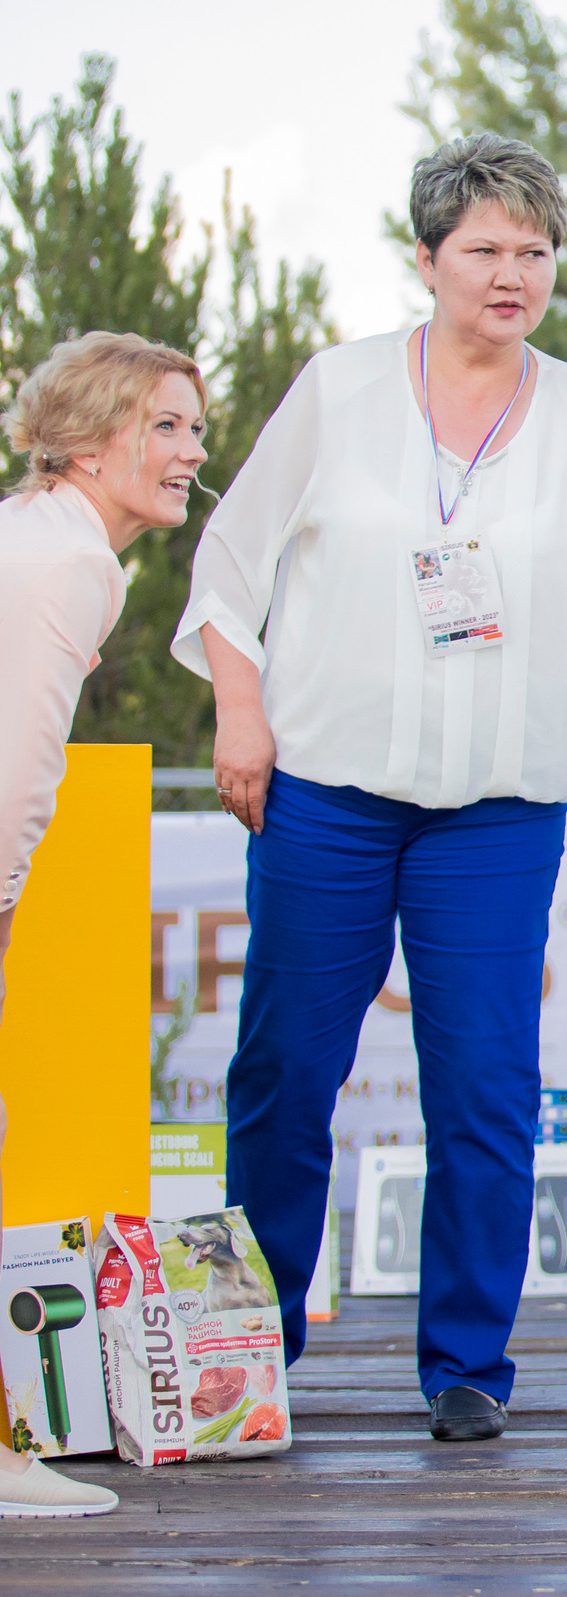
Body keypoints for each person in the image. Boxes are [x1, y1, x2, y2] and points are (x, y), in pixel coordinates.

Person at [173, 134, 567, 1443]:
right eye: (485, 249)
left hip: (500, 814)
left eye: (535, 252)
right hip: (325, 795)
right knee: (286, 1073)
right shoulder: (339, 388)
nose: (513, 275)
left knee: (486, 1089)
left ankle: (466, 1363)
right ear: (427, 259)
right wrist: (241, 712)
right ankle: (258, 1347)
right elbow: (229, 566)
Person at [0, 331, 209, 1516]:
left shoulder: (41, 537)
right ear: (82, 443)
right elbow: (18, 766)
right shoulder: (65, 563)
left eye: (195, 426)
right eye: (162, 425)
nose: (191, 450)